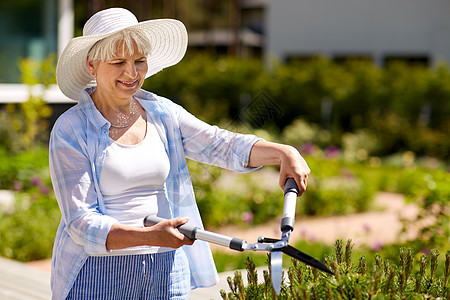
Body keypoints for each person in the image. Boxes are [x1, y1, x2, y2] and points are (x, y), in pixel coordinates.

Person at [49, 7, 310, 300]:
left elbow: (218, 143)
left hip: (166, 265)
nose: (131, 73)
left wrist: (283, 152)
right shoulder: (70, 129)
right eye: (119, 61)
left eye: (139, 61)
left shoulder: (161, 112)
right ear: (92, 65)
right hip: (97, 273)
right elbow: (80, 222)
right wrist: (148, 237)